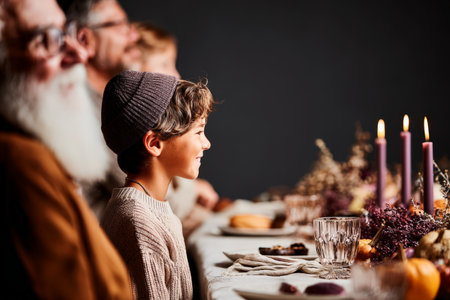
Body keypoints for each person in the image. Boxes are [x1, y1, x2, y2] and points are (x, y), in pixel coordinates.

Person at [0, 0, 133, 299]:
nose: (80, 53)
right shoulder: (21, 164)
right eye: (46, 39)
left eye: (66, 33)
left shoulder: (39, 151)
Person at [100, 70, 215, 299]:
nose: (207, 144)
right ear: (154, 143)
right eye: (199, 132)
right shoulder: (138, 224)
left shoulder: (151, 208)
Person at [133, 21, 222, 238]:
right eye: (164, 64)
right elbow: (161, 199)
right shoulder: (131, 126)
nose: (175, 73)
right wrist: (193, 191)